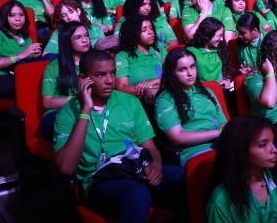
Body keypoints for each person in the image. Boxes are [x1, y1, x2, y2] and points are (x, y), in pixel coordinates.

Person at [53, 49, 187, 223]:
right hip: (100, 181)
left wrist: (156, 165)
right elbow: (65, 168)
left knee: (186, 177)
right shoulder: (67, 113)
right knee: (136, 193)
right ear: (82, 79)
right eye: (100, 75)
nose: (109, 81)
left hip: (137, 169)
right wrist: (85, 110)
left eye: (113, 73)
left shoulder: (130, 102)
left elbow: (150, 147)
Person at [205, 115, 277, 223]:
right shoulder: (221, 201)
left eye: (273, 142)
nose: (274, 149)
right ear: (241, 151)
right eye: (263, 145)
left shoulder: (276, 177)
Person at [154, 48, 227, 165]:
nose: (190, 73)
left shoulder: (207, 91)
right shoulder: (165, 99)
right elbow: (177, 137)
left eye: (192, 66)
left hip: (221, 144)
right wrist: (218, 132)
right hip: (195, 151)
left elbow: (223, 122)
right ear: (172, 73)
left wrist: (226, 134)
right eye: (182, 69)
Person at [0, 0, 43, 98]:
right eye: (12, 15)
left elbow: (25, 63)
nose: (18, 19)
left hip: (18, 75)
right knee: (32, 84)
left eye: (21, 15)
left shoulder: (26, 38)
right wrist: (19, 56)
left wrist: (34, 56)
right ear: (4, 18)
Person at [40, 21, 91, 139]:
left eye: (86, 35)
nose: (85, 40)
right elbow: (47, 102)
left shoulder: (95, 62)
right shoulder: (53, 67)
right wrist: (77, 97)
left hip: (91, 110)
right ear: (67, 41)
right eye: (78, 37)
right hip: (59, 112)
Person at [115, 14, 167, 105]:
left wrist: (155, 82)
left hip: (166, 97)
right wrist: (148, 90)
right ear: (133, 33)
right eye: (144, 29)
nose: (150, 32)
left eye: (151, 28)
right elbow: (122, 86)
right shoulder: (123, 56)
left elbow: (175, 77)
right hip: (137, 102)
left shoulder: (160, 51)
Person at [187, 17, 233, 85]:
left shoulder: (221, 48)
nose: (222, 39)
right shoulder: (190, 52)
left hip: (220, 89)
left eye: (222, 35)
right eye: (219, 36)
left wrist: (227, 80)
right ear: (208, 34)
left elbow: (226, 71)